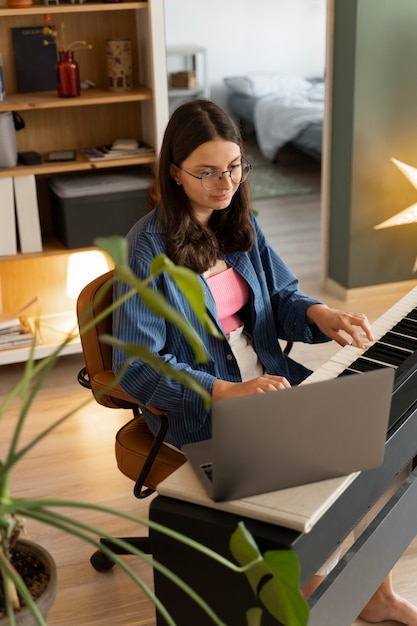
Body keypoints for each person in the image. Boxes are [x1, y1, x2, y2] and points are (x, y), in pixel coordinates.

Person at [113, 99, 417, 625]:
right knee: (338, 459)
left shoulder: (240, 223)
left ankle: (376, 592)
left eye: (233, 167)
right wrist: (222, 391)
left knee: (378, 442)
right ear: (174, 174)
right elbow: (138, 367)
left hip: (272, 381)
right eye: (206, 172)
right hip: (207, 406)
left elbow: (280, 299)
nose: (223, 183)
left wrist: (319, 314)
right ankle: (312, 585)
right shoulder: (145, 251)